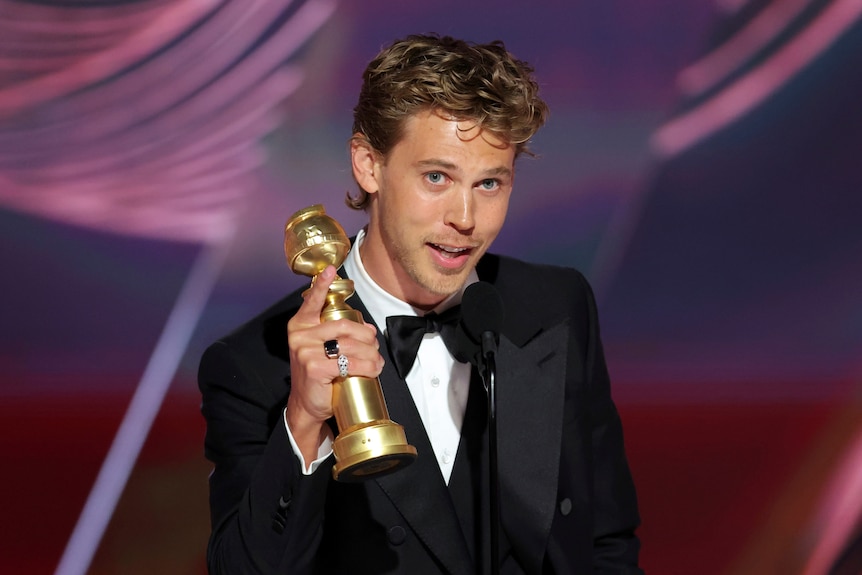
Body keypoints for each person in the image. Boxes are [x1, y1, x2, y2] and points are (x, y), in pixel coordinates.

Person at [199, 33, 643, 574]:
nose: (465, 217)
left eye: (489, 183)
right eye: (437, 176)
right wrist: (305, 420)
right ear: (368, 164)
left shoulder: (555, 305)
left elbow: (607, 541)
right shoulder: (256, 364)